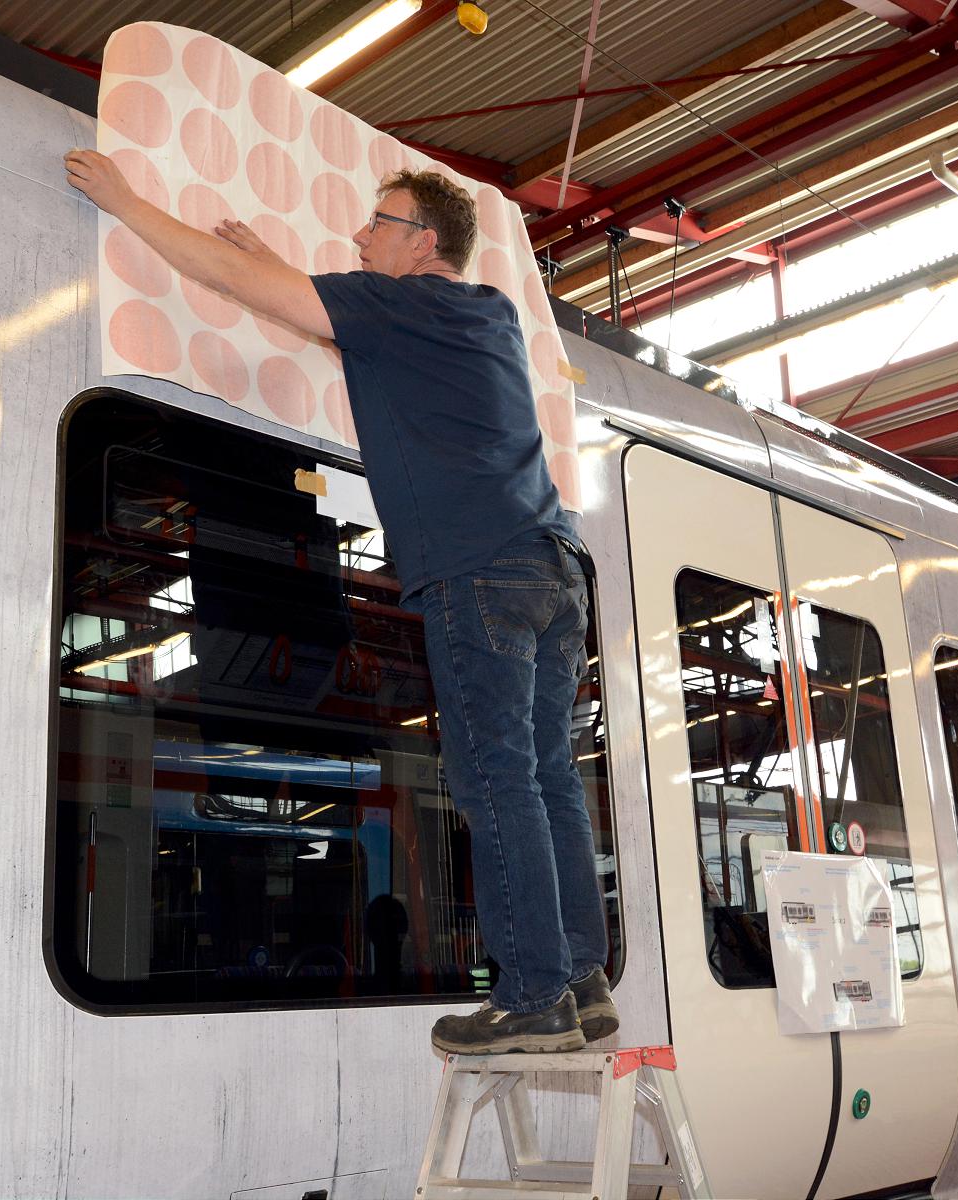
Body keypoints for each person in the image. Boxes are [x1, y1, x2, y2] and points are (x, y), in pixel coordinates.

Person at [65, 148, 616, 1055]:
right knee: (551, 776)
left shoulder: (405, 303)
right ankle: (583, 981)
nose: (361, 236)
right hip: (552, 569)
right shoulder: (483, 317)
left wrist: (130, 202)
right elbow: (334, 329)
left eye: (378, 224)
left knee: (494, 775)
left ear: (423, 241)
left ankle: (531, 996)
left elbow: (267, 293)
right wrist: (273, 274)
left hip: (476, 570)